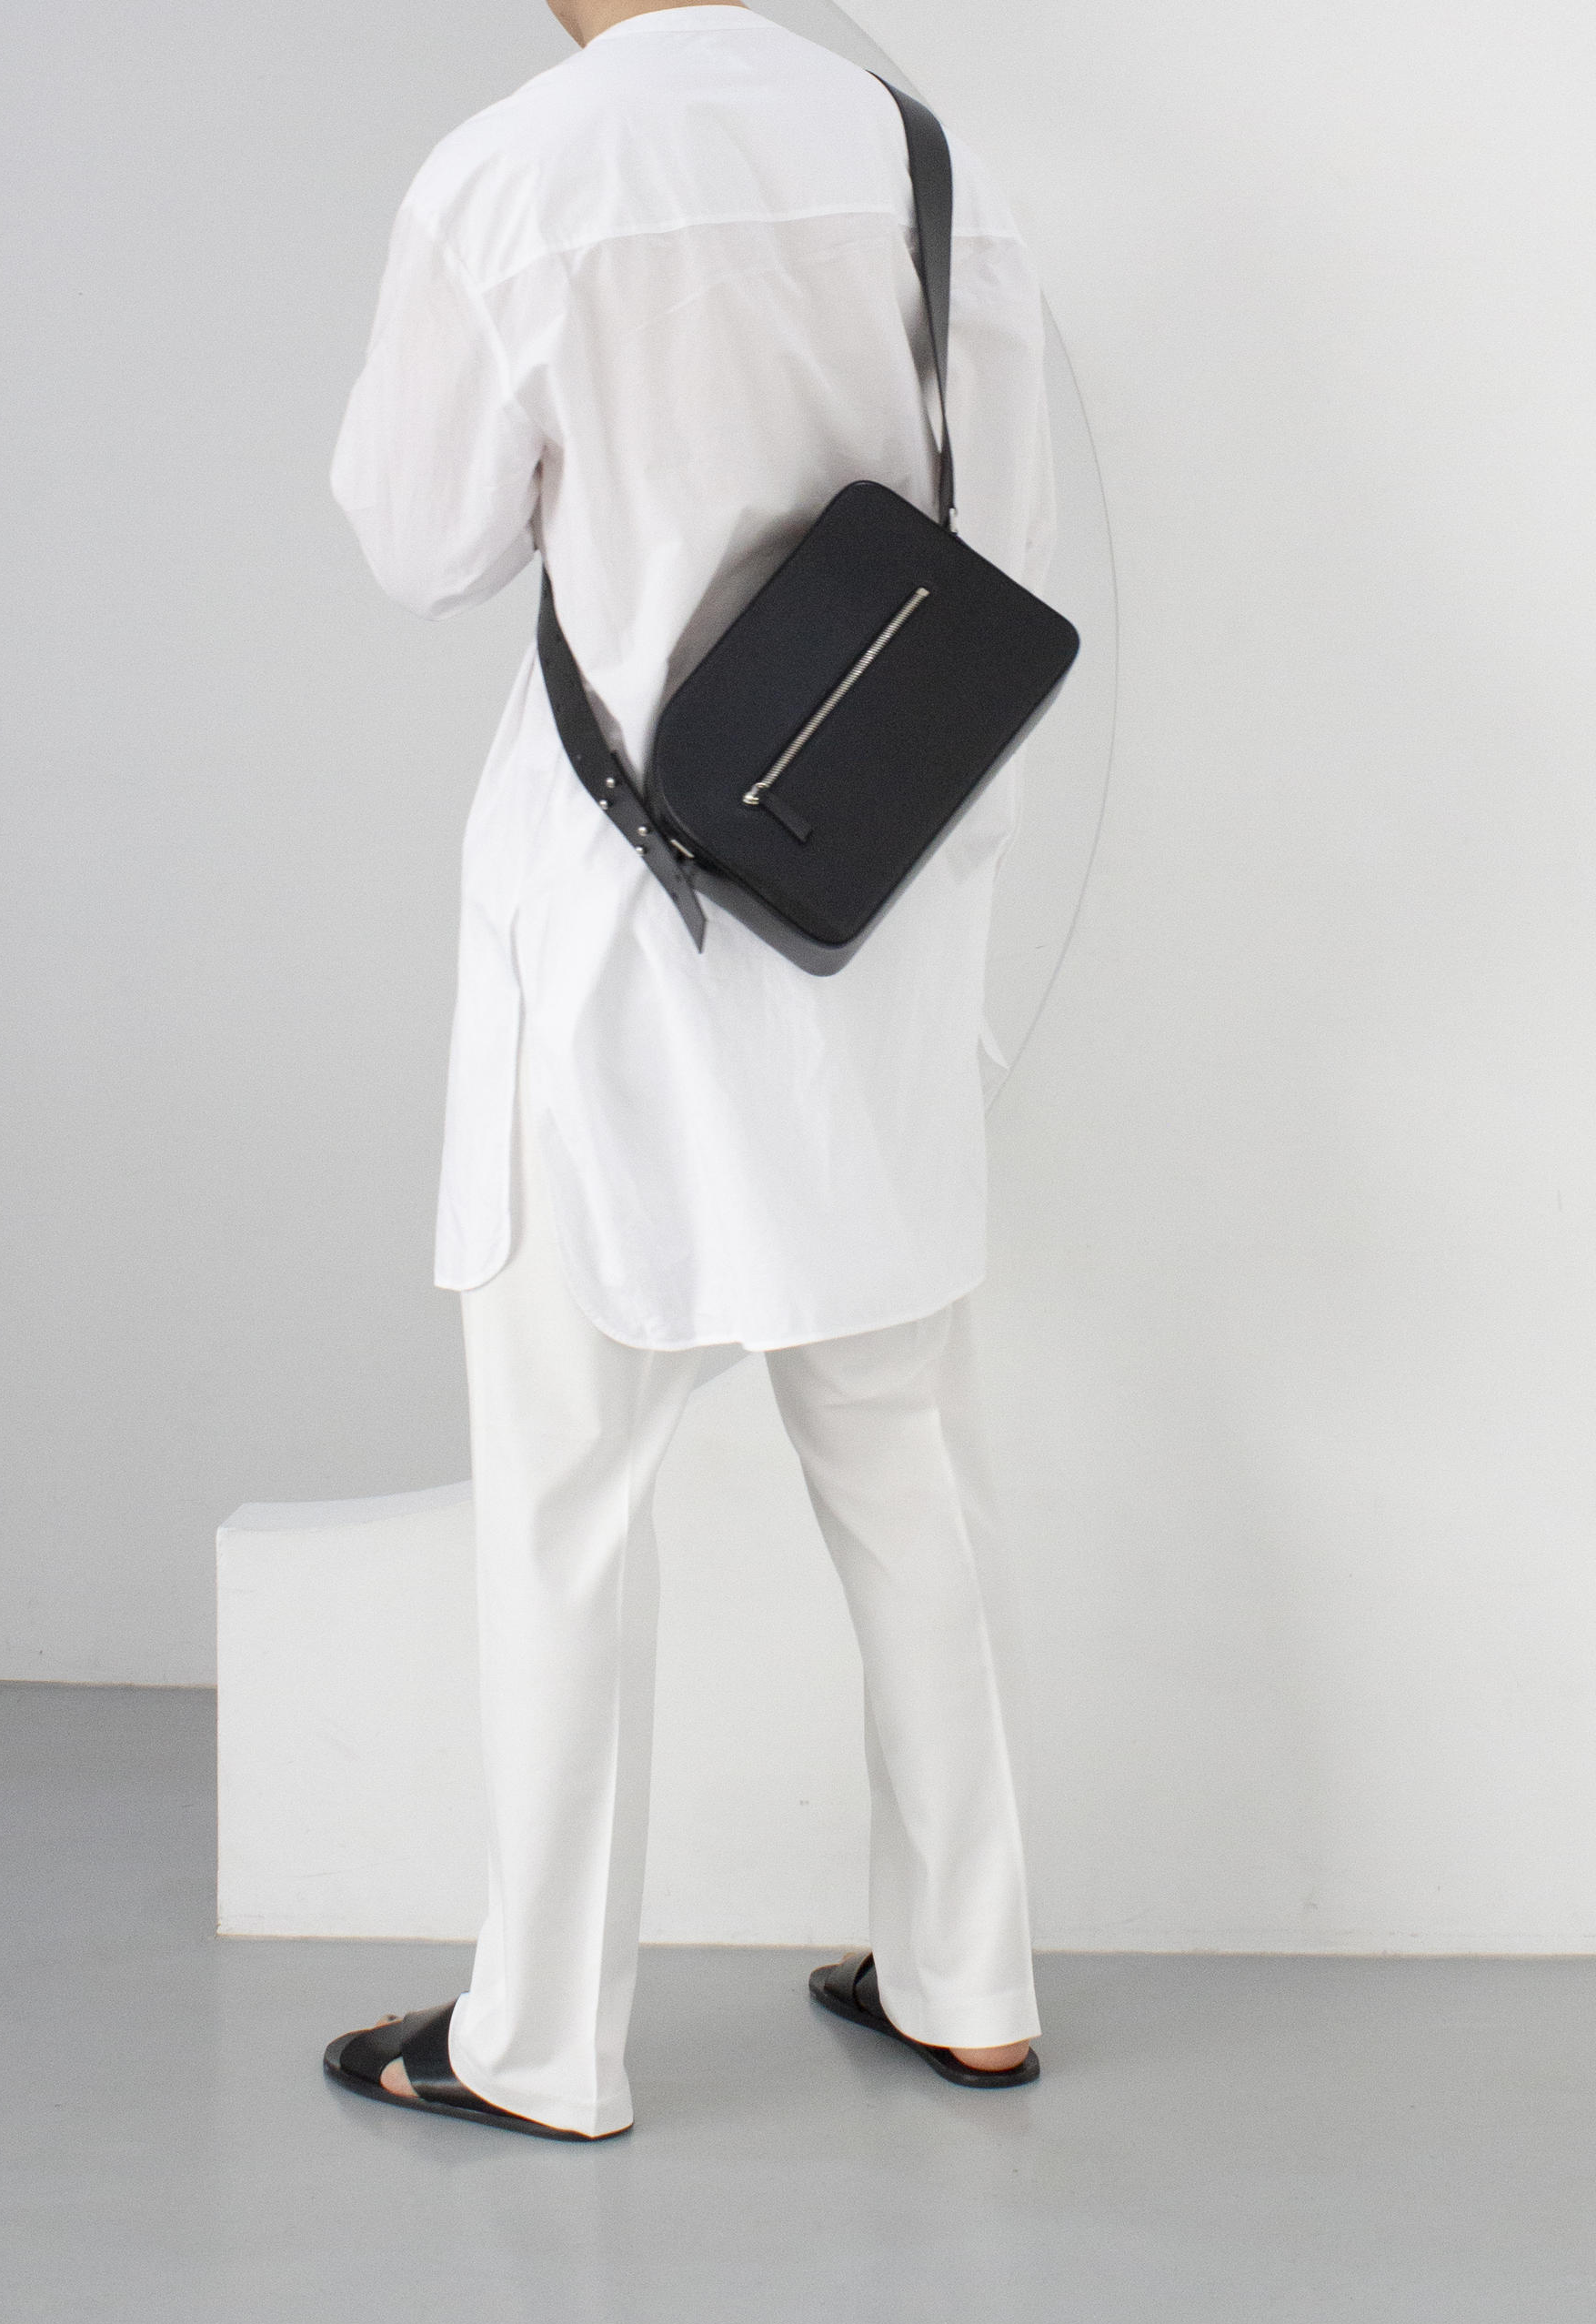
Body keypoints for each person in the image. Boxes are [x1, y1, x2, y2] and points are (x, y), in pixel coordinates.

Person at [322, 0, 1057, 2141]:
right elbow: (987, 549)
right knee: (909, 1469)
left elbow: (417, 541)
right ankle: (970, 1980)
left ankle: (541, 2042)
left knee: (565, 1503)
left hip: (618, 931)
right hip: (871, 908)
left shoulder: (522, 169)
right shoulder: (921, 155)